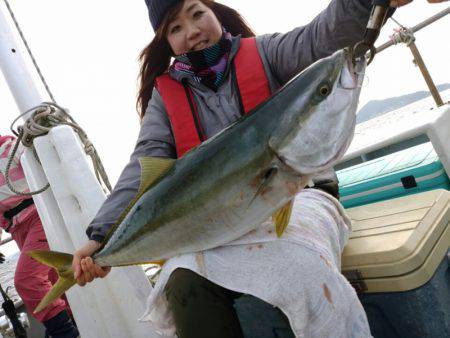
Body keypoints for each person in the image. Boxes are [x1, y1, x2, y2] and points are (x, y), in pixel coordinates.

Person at [72, 0, 448, 337]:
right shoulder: (164, 97)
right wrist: (101, 238)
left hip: (302, 193)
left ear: (215, 12)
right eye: (175, 27)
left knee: (299, 267)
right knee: (183, 282)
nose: (192, 31)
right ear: (166, 42)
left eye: (197, 13)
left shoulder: (266, 52)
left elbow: (321, 38)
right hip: (215, 225)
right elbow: (144, 165)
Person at [0, 134, 79, 338]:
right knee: (54, 279)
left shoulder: (12, 148)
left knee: (28, 280)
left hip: (40, 217)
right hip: (17, 229)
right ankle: (75, 325)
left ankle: (64, 333)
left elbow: (47, 174)